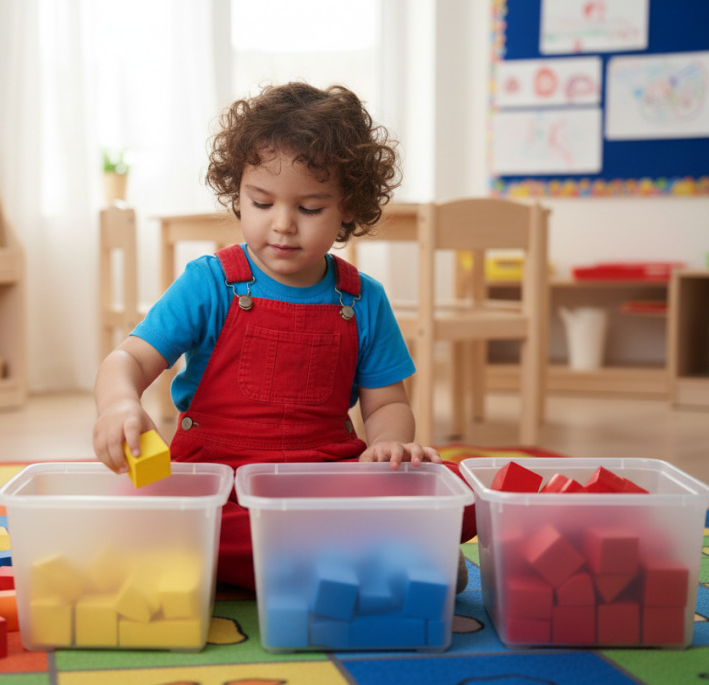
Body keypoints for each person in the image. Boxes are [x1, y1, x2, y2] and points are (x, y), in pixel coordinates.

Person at [93, 82, 473, 591]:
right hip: (221, 484)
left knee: (465, 496)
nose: (283, 225)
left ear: (349, 210)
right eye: (261, 202)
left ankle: (312, 551)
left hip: (324, 486)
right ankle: (356, 553)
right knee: (154, 515)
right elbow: (128, 360)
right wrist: (118, 404)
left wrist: (388, 447)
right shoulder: (210, 282)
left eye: (310, 208)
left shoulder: (363, 299)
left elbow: (385, 405)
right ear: (238, 195)